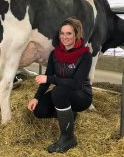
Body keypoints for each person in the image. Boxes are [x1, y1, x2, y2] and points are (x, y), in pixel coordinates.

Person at [27, 17, 92, 153]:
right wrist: (36, 98)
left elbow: (75, 83)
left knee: (58, 91)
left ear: (76, 35)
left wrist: (49, 78)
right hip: (62, 94)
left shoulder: (85, 55)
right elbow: (47, 80)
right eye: (62, 33)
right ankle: (69, 114)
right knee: (39, 110)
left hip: (81, 95)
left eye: (69, 33)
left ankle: (68, 138)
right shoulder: (55, 54)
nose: (64, 37)